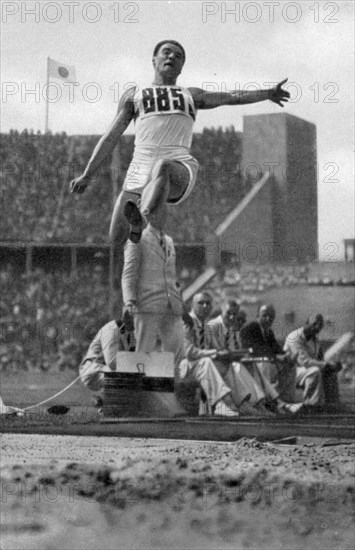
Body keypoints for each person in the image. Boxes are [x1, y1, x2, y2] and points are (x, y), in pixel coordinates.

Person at [69, 40, 290, 273]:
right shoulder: (135, 95)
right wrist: (87, 174)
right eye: (166, 53)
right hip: (140, 169)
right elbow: (111, 135)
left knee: (162, 166)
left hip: (178, 166)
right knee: (115, 238)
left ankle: (142, 218)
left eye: (178, 56)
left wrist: (267, 93)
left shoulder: (190, 95)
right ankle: (138, 232)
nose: (172, 57)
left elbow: (231, 96)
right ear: (154, 60)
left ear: (182, 67)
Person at [121, 204, 185, 370]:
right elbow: (129, 273)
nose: (165, 217)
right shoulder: (137, 239)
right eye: (161, 213)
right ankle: (139, 392)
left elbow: (171, 274)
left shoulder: (169, 241)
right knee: (144, 351)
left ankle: (170, 390)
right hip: (147, 303)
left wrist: (180, 298)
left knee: (176, 350)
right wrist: (128, 302)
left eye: (166, 213)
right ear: (151, 216)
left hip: (172, 305)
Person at [283, 314, 342, 409]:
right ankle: (311, 404)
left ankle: (332, 404)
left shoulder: (315, 341)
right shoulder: (294, 337)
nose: (317, 327)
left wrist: (332, 366)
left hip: (302, 372)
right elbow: (304, 362)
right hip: (289, 371)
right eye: (314, 324)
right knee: (314, 371)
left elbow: (320, 360)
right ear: (306, 324)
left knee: (330, 372)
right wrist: (326, 364)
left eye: (320, 325)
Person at [79, 317, 135, 393]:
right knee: (131, 380)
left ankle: (103, 398)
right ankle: (103, 398)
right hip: (93, 372)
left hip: (106, 372)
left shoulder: (131, 335)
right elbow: (112, 363)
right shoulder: (111, 329)